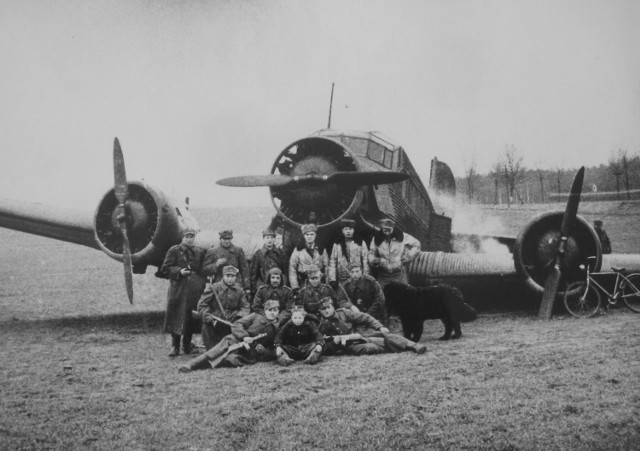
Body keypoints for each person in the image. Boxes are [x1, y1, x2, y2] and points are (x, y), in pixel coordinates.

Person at [179, 300, 280, 372]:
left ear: (278, 312)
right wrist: (244, 336)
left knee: (231, 360)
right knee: (216, 352)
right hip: (236, 340)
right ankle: (191, 364)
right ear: (265, 310)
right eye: (270, 310)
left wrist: (264, 351)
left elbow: (275, 348)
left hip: (249, 352)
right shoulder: (255, 316)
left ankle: (202, 366)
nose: (272, 313)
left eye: (275, 310)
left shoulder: (277, 327)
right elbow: (237, 324)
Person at [317, 297, 426, 356]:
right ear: (320, 312)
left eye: (328, 307)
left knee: (383, 335)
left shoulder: (343, 313)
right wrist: (334, 343)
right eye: (323, 309)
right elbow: (325, 346)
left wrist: (379, 326)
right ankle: (404, 347)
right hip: (349, 347)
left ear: (333, 307)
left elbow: (364, 317)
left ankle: (413, 345)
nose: (326, 311)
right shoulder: (322, 326)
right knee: (372, 347)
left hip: (360, 337)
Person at [159, 227, 207, 357]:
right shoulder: (174, 251)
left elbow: (204, 268)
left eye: (192, 237)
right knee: (177, 315)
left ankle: (187, 346)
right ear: (182, 237)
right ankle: (175, 346)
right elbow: (165, 269)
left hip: (195, 289)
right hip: (179, 288)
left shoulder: (199, 251)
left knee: (191, 316)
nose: (189, 239)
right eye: (187, 237)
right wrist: (179, 271)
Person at [197, 265, 250, 350]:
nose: (230, 279)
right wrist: (208, 317)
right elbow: (202, 305)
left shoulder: (240, 290)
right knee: (213, 347)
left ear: (236, 277)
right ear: (223, 276)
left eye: (232, 276)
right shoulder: (214, 287)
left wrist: (239, 317)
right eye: (227, 276)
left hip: (232, 321)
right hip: (215, 320)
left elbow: (245, 307)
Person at [368, 218, 421, 287]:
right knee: (385, 296)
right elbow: (371, 252)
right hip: (383, 277)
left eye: (389, 230)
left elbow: (417, 244)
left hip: (399, 275)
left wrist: (408, 256)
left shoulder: (402, 236)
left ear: (393, 228)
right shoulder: (377, 238)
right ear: (382, 229)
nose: (387, 233)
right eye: (385, 230)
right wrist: (376, 260)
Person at [203, 230, 251, 297]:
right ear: (220, 239)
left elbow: (245, 270)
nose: (227, 241)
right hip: (219, 283)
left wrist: (247, 287)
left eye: (229, 239)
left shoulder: (238, 250)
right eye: (225, 239)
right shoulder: (213, 251)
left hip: (235, 283)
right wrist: (216, 265)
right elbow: (205, 269)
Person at [328, 218, 370, 287]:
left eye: (350, 229)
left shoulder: (360, 242)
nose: (348, 231)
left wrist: (366, 276)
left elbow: (365, 260)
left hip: (356, 276)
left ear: (353, 230)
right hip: (342, 276)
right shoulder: (337, 243)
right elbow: (332, 261)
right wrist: (332, 279)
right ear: (342, 231)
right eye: (346, 229)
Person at [289, 223, 329, 290]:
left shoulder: (321, 249)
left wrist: (327, 285)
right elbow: (292, 268)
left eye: (312, 234)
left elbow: (327, 267)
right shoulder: (298, 249)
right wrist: (295, 286)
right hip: (303, 282)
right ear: (304, 236)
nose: (309, 237)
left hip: (319, 282)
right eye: (307, 234)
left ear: (315, 235)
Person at [250, 229, 289, 294]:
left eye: (272, 238)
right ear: (264, 239)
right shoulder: (258, 254)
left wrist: (284, 285)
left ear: (274, 239)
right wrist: (254, 290)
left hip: (279, 285)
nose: (269, 240)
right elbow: (253, 274)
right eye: (267, 238)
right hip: (264, 286)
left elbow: (285, 271)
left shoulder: (280, 253)